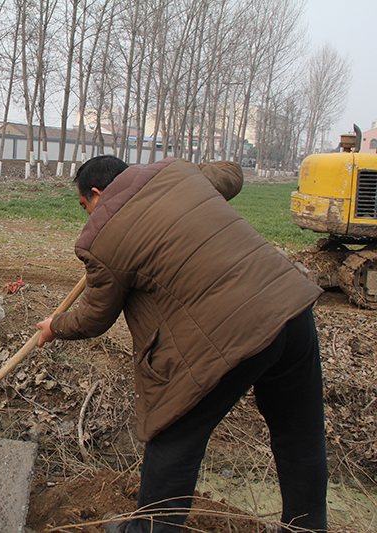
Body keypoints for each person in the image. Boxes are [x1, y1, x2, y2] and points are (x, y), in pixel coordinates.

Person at [36, 155, 327, 533]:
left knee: (172, 435)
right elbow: (231, 176)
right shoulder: (176, 172)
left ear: (96, 193)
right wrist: (193, 170)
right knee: (299, 436)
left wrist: (54, 326)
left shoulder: (101, 238)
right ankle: (307, 527)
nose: (87, 216)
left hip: (226, 335)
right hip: (291, 309)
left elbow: (93, 317)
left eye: (84, 206)